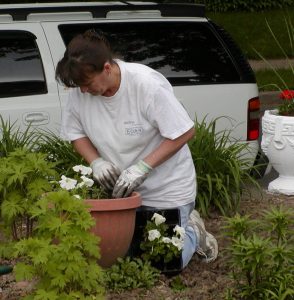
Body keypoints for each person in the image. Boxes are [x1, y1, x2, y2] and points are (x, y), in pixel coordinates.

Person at [56, 29, 218, 267]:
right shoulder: (81, 90)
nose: (83, 91)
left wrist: (142, 167)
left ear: (107, 69)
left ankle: (193, 230)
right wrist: (96, 162)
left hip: (167, 190)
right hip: (124, 193)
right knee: (119, 259)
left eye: (87, 84)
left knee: (164, 263)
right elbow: (75, 133)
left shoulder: (145, 85)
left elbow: (184, 131)